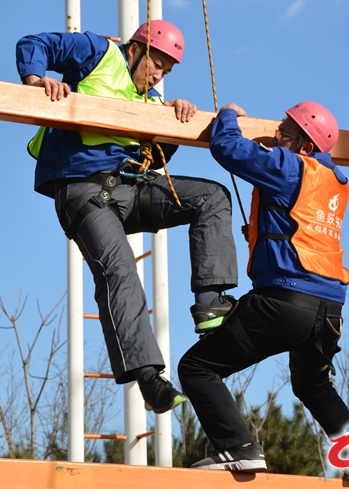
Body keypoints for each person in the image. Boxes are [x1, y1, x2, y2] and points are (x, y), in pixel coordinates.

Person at [16, 21, 238, 414]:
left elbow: (157, 158)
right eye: (156, 65)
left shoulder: (150, 102)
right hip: (85, 192)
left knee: (211, 196)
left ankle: (211, 303)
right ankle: (149, 378)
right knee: (120, 271)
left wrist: (178, 119)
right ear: (136, 49)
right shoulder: (98, 54)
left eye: (166, 72)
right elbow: (35, 42)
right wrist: (37, 81)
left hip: (131, 190)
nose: (157, 76)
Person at [178, 101, 349, 480]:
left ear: (304, 145)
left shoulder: (291, 168)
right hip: (329, 310)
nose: (276, 136)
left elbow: (228, 148)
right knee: (314, 385)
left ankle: (238, 447)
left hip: (286, 301)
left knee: (198, 367)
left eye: (285, 132)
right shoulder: (334, 182)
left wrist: (229, 114)